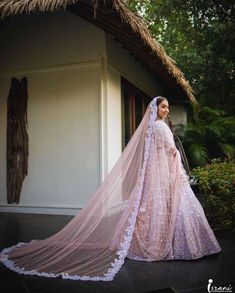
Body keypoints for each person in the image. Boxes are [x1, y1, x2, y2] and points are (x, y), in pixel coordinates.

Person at [0, 96, 221, 281]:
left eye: (167, 108)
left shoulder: (149, 128)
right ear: (155, 108)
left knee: (151, 207)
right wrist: (179, 172)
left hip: (156, 174)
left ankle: (151, 242)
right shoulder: (161, 127)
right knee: (175, 206)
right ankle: (176, 244)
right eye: (163, 107)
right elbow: (171, 151)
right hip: (166, 173)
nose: (166, 110)